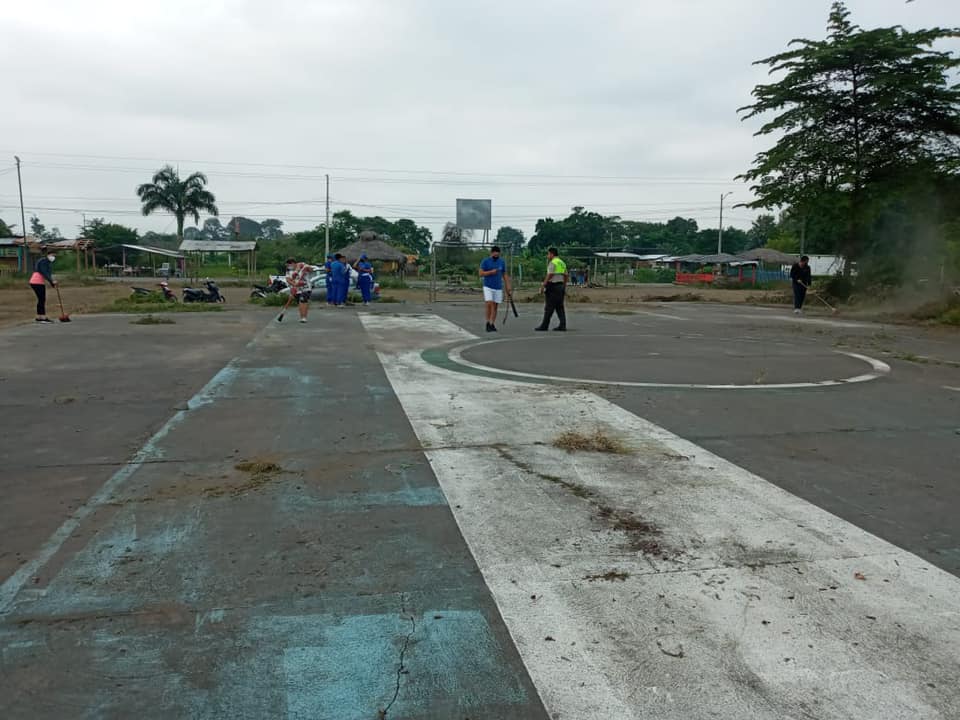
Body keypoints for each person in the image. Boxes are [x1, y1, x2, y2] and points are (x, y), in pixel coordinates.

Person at [478, 245, 511, 332]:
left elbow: (504, 274)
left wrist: (508, 286)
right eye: (494, 254)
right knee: (489, 303)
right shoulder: (485, 261)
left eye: (498, 254)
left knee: (495, 306)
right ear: (491, 253)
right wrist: (490, 272)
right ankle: (487, 322)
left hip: (498, 287)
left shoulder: (501, 262)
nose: (496, 256)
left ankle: (492, 324)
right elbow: (480, 273)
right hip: (488, 286)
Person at [535, 247, 567, 331]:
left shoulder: (553, 263)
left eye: (548, 254)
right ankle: (562, 325)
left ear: (552, 254)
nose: (547, 256)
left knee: (549, 307)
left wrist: (543, 285)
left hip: (553, 286)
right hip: (560, 286)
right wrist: (564, 285)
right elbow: (566, 275)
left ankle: (544, 325)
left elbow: (550, 274)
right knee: (559, 307)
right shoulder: (562, 263)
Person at [285, 257, 319, 323]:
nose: (288, 267)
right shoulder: (288, 271)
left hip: (306, 287)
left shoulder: (302, 265)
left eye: (289, 265)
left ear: (293, 263)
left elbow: (311, 269)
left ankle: (304, 317)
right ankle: (302, 317)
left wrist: (306, 268)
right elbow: (288, 280)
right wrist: (295, 284)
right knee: (299, 303)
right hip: (296, 289)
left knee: (303, 301)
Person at [29, 248, 58, 323]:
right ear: (48, 255)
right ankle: (43, 317)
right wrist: (52, 281)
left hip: (38, 282)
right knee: (42, 299)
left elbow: (48, 274)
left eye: (55, 256)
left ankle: (39, 317)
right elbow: (44, 272)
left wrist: (52, 284)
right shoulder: (43, 261)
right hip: (36, 281)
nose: (53, 257)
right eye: (52, 255)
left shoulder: (47, 262)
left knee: (41, 299)